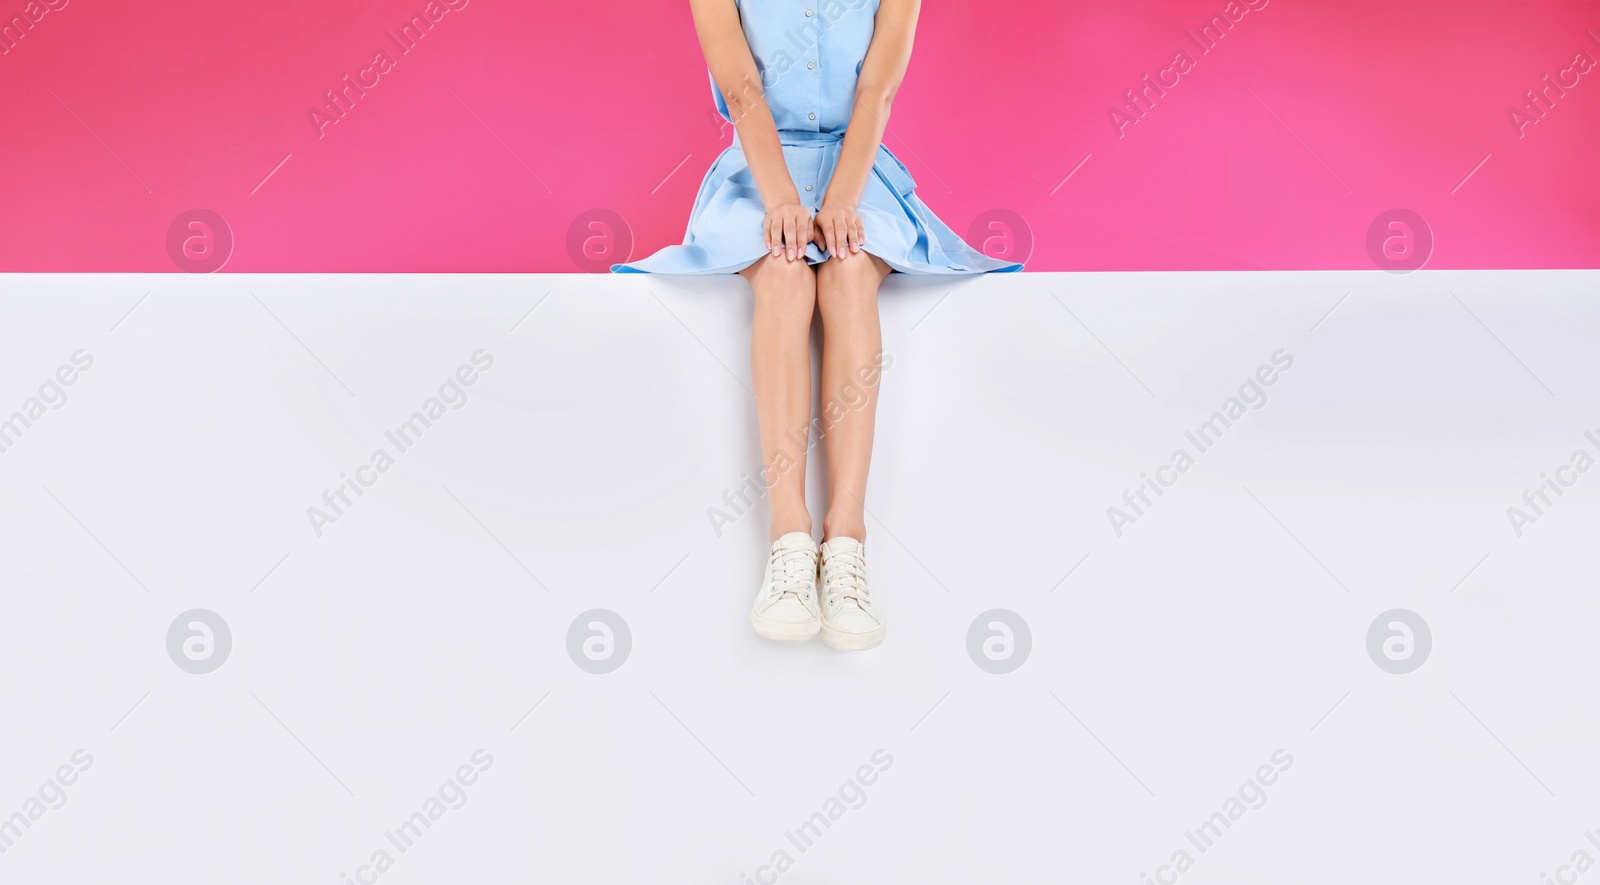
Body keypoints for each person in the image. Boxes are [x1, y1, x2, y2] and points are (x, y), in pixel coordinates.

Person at [614, 0, 1023, 650]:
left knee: (851, 271)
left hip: (856, 177)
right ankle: (790, 542)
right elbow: (739, 83)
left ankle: (848, 544)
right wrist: (780, 199)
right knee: (781, 274)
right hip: (757, 173)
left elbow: (877, 88)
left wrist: (840, 200)